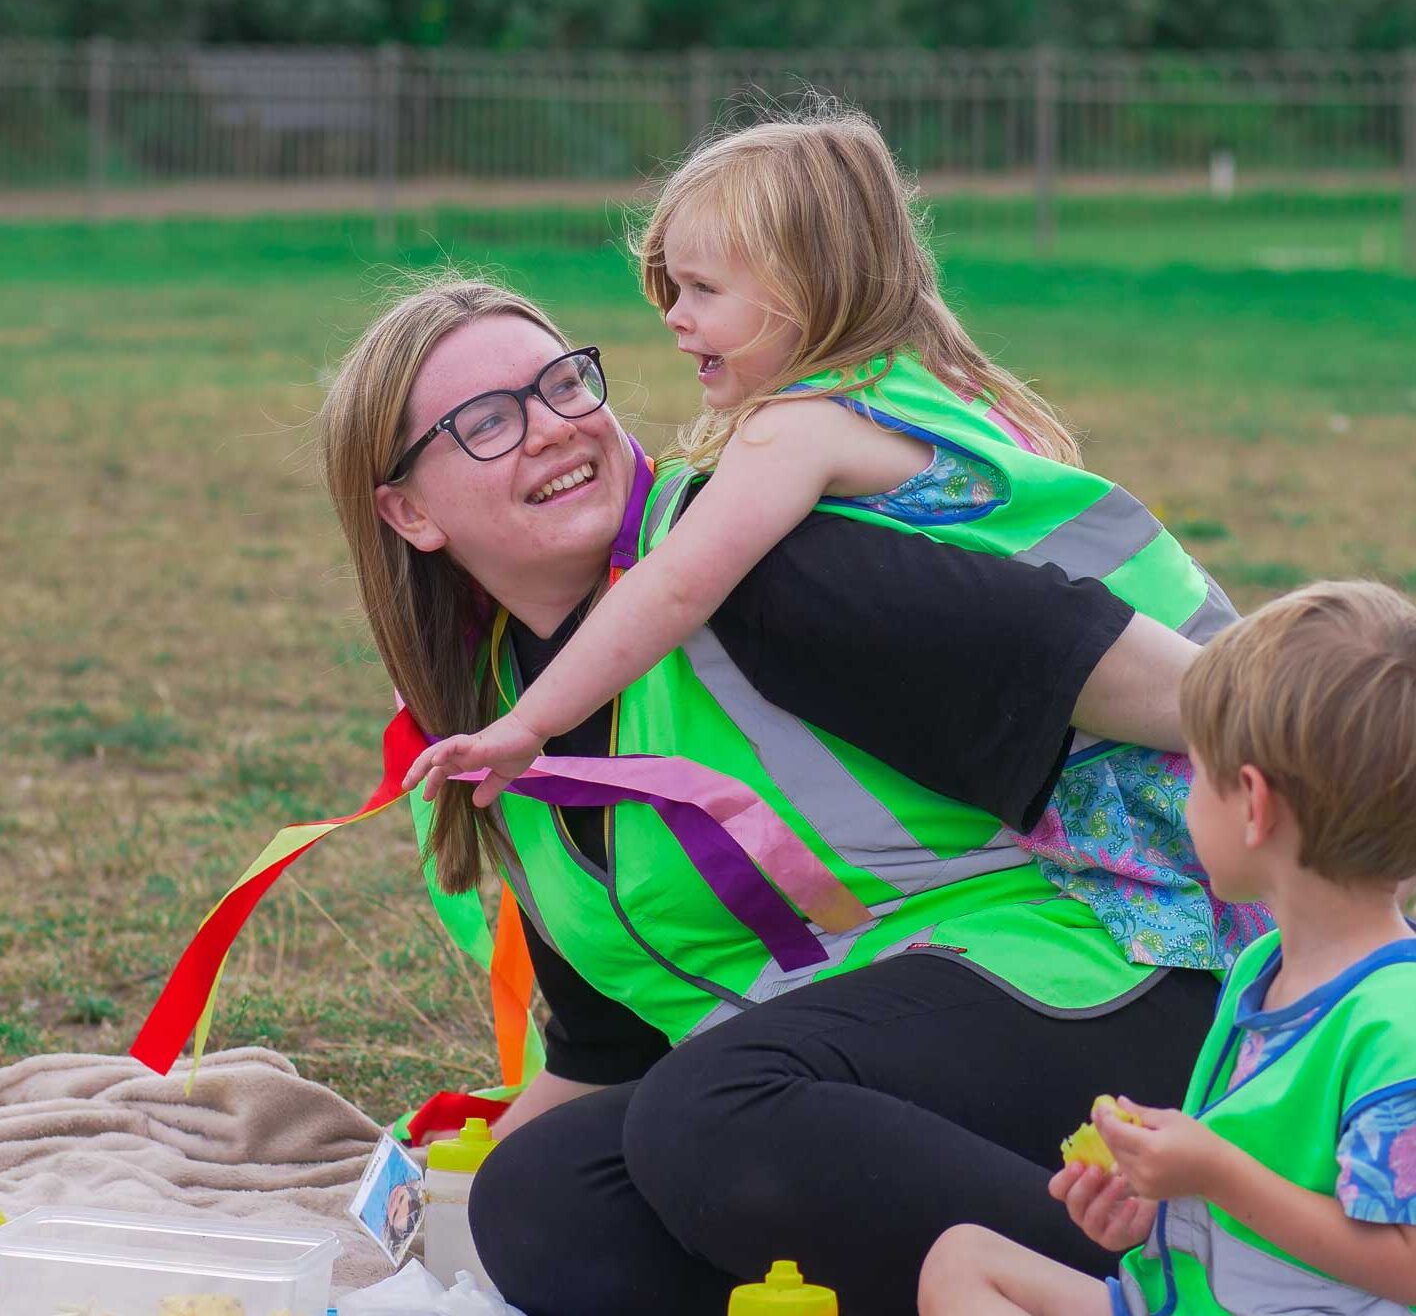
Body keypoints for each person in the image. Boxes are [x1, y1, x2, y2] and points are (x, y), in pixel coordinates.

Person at [322, 274, 1226, 1316]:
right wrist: (420, 1226)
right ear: (408, 512)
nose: (551, 429)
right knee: (544, 1199)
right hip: (824, 1085)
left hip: (1101, 991)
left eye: (564, 384)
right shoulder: (494, 719)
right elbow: (602, 1053)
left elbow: (1087, 658)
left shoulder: (746, 558)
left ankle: (1210, 1287)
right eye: (486, 421)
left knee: (707, 1112)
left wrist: (1327, 730)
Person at [404, 108, 1265, 974]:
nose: (673, 316)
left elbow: (673, 587)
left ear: (803, 290)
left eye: (702, 290)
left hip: (1157, 741)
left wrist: (529, 725)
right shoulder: (931, 387)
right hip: (1202, 712)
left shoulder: (792, 432)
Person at [918, 581, 1416, 1316]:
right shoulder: (1260, 969)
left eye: (1194, 772)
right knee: (964, 1262)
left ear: (1253, 805)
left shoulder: (1394, 1024)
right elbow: (1267, 1198)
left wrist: (1213, 1175)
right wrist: (1161, 1211)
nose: (1184, 799)